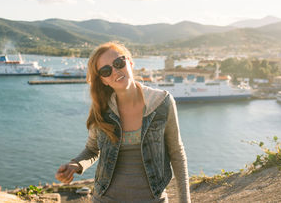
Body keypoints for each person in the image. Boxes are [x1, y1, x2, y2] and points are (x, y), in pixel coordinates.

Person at [55, 42, 191, 202]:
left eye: (118, 63)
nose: (115, 71)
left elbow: (176, 153)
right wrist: (75, 165)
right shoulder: (102, 108)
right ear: (103, 80)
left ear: (130, 63)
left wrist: (185, 200)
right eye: (106, 71)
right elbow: (92, 150)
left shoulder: (162, 102)